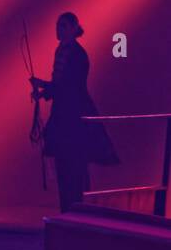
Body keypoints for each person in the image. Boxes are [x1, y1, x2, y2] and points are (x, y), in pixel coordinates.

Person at [30, 12, 119, 212]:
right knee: (64, 164)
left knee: (75, 165)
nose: (58, 29)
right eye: (57, 25)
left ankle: (77, 211)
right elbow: (60, 85)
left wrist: (44, 87)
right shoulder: (61, 50)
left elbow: (68, 85)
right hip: (63, 112)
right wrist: (44, 91)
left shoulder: (78, 54)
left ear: (72, 28)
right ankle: (68, 211)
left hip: (74, 114)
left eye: (62, 26)